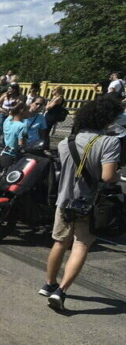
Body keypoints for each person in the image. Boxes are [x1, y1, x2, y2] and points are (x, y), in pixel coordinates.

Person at [41, 98, 122, 311]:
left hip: (65, 199)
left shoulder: (65, 141)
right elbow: (107, 176)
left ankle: (49, 284)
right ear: (107, 119)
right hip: (90, 203)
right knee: (81, 245)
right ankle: (61, 291)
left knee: (59, 242)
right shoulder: (109, 142)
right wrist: (117, 176)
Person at [0, 84, 22, 155]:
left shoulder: (18, 97)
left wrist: (16, 105)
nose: (9, 90)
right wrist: (1, 110)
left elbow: (19, 105)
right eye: (9, 89)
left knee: (7, 132)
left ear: (15, 90)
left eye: (11, 89)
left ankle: (5, 147)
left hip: (11, 115)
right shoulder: (5, 95)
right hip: (3, 113)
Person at [0, 102, 30, 170]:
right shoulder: (22, 126)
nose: (29, 112)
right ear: (22, 111)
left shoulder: (7, 121)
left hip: (4, 155)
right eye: (27, 110)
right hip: (14, 157)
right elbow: (21, 144)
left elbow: (11, 113)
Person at [43, 86, 67, 152]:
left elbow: (48, 107)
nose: (52, 91)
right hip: (49, 115)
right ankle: (44, 145)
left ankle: (46, 147)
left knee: (46, 131)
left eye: (54, 89)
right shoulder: (55, 98)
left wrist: (48, 104)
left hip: (51, 116)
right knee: (44, 131)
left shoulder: (59, 98)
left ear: (58, 90)